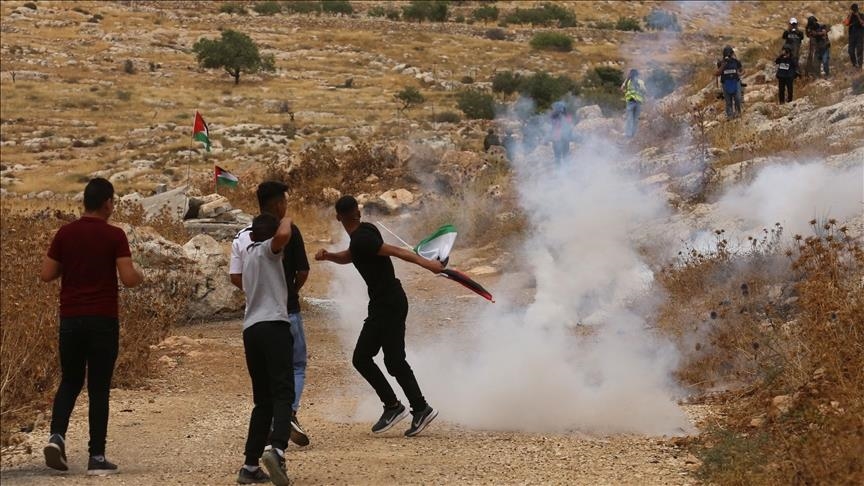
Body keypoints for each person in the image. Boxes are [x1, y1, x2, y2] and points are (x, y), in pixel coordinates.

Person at [40, 178, 144, 476]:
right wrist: (140, 274)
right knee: (98, 388)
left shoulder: (65, 233)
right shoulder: (115, 235)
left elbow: (46, 273)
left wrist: (70, 265)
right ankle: (96, 457)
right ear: (107, 203)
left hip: (70, 319)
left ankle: (56, 437)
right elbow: (128, 278)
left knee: (70, 381)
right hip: (102, 319)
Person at [315, 196, 443, 437]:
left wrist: (429, 265)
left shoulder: (362, 238)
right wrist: (329, 256)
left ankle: (400, 407)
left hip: (387, 304)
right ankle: (416, 408)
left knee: (364, 358)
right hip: (388, 302)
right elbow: (350, 256)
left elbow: (396, 251)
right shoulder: (364, 234)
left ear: (338, 217)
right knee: (391, 360)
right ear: (358, 212)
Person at [230, 181, 311, 449]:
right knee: (293, 369)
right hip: (281, 315)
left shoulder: (245, 237)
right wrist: (289, 292)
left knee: (262, 393)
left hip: (251, 322)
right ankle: (284, 425)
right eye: (284, 202)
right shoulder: (279, 237)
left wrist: (255, 290)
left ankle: (252, 458)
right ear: (278, 204)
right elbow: (302, 271)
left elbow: (234, 275)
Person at [235, 213, 296, 486]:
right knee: (284, 392)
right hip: (274, 326)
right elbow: (283, 235)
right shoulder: (267, 251)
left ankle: (250, 466)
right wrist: (288, 217)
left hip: (251, 330)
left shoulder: (247, 257)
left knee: (263, 401)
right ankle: (278, 450)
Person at [715, 46, 744, 119]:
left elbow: (743, 70)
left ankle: (738, 113)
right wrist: (722, 66)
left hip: (735, 82)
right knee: (728, 101)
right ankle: (730, 116)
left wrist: (739, 74)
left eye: (729, 54)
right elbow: (717, 74)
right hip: (725, 83)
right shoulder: (720, 63)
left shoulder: (736, 61)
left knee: (737, 98)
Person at [621, 69, 646, 138]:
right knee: (635, 119)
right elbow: (644, 91)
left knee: (630, 118)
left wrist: (626, 91)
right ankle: (633, 134)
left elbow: (622, 88)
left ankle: (628, 134)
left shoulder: (627, 81)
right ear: (637, 75)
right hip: (637, 102)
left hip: (630, 101)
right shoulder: (640, 82)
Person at [844, 3, 864, 69]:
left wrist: (858, 16)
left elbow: (862, 24)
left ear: (858, 9)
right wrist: (850, 15)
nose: (854, 10)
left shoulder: (862, 15)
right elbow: (846, 23)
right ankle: (854, 64)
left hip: (859, 35)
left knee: (859, 50)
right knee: (850, 51)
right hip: (852, 36)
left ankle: (860, 66)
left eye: (855, 9)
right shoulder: (850, 16)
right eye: (853, 9)